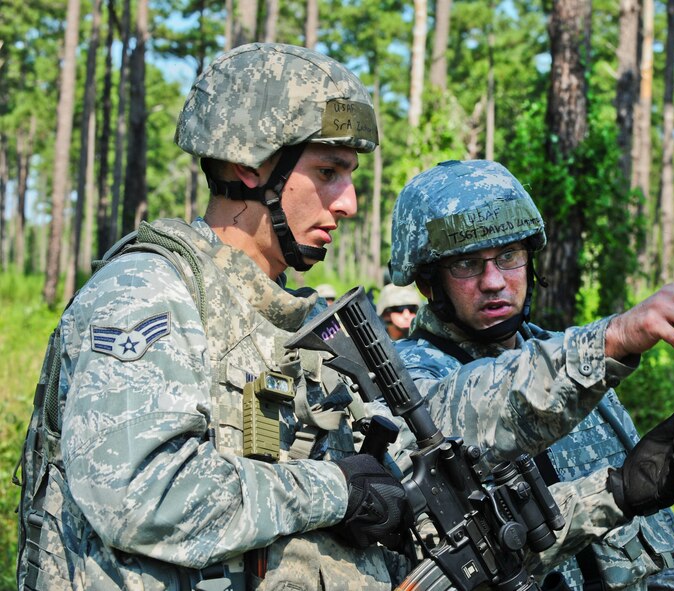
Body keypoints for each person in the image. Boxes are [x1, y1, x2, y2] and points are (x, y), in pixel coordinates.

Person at [16, 43, 413, 591]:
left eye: (348, 176)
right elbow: (138, 494)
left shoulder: (288, 318)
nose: (347, 202)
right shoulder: (146, 292)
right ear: (248, 167)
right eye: (328, 172)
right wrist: (336, 491)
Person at [388, 160, 674, 590]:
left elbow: (660, 550)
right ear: (428, 280)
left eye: (508, 256)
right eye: (467, 264)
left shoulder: (584, 374)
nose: (494, 281)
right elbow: (497, 400)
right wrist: (612, 338)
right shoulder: (405, 385)